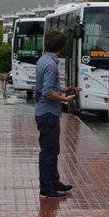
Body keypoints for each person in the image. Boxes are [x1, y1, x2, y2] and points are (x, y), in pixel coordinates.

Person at [34, 31, 80, 199]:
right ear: (62, 47)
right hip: (48, 113)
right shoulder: (52, 65)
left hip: (44, 112)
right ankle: (46, 188)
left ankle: (54, 181)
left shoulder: (43, 60)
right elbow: (46, 92)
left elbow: (46, 86)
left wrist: (65, 89)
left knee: (53, 150)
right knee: (48, 151)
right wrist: (64, 99)